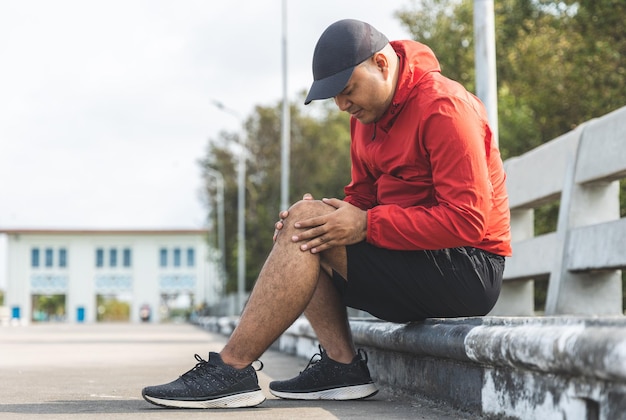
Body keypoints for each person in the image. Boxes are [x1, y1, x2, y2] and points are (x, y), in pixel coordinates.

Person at [142, 18, 511, 409]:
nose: (342, 105)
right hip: (417, 260)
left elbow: (468, 220)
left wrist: (364, 224)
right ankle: (341, 368)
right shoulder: (365, 121)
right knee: (307, 224)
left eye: (347, 90)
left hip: (471, 269)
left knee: (307, 226)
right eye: (334, 97)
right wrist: (331, 215)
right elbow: (363, 199)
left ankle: (231, 370)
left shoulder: (445, 107)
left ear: (382, 65)